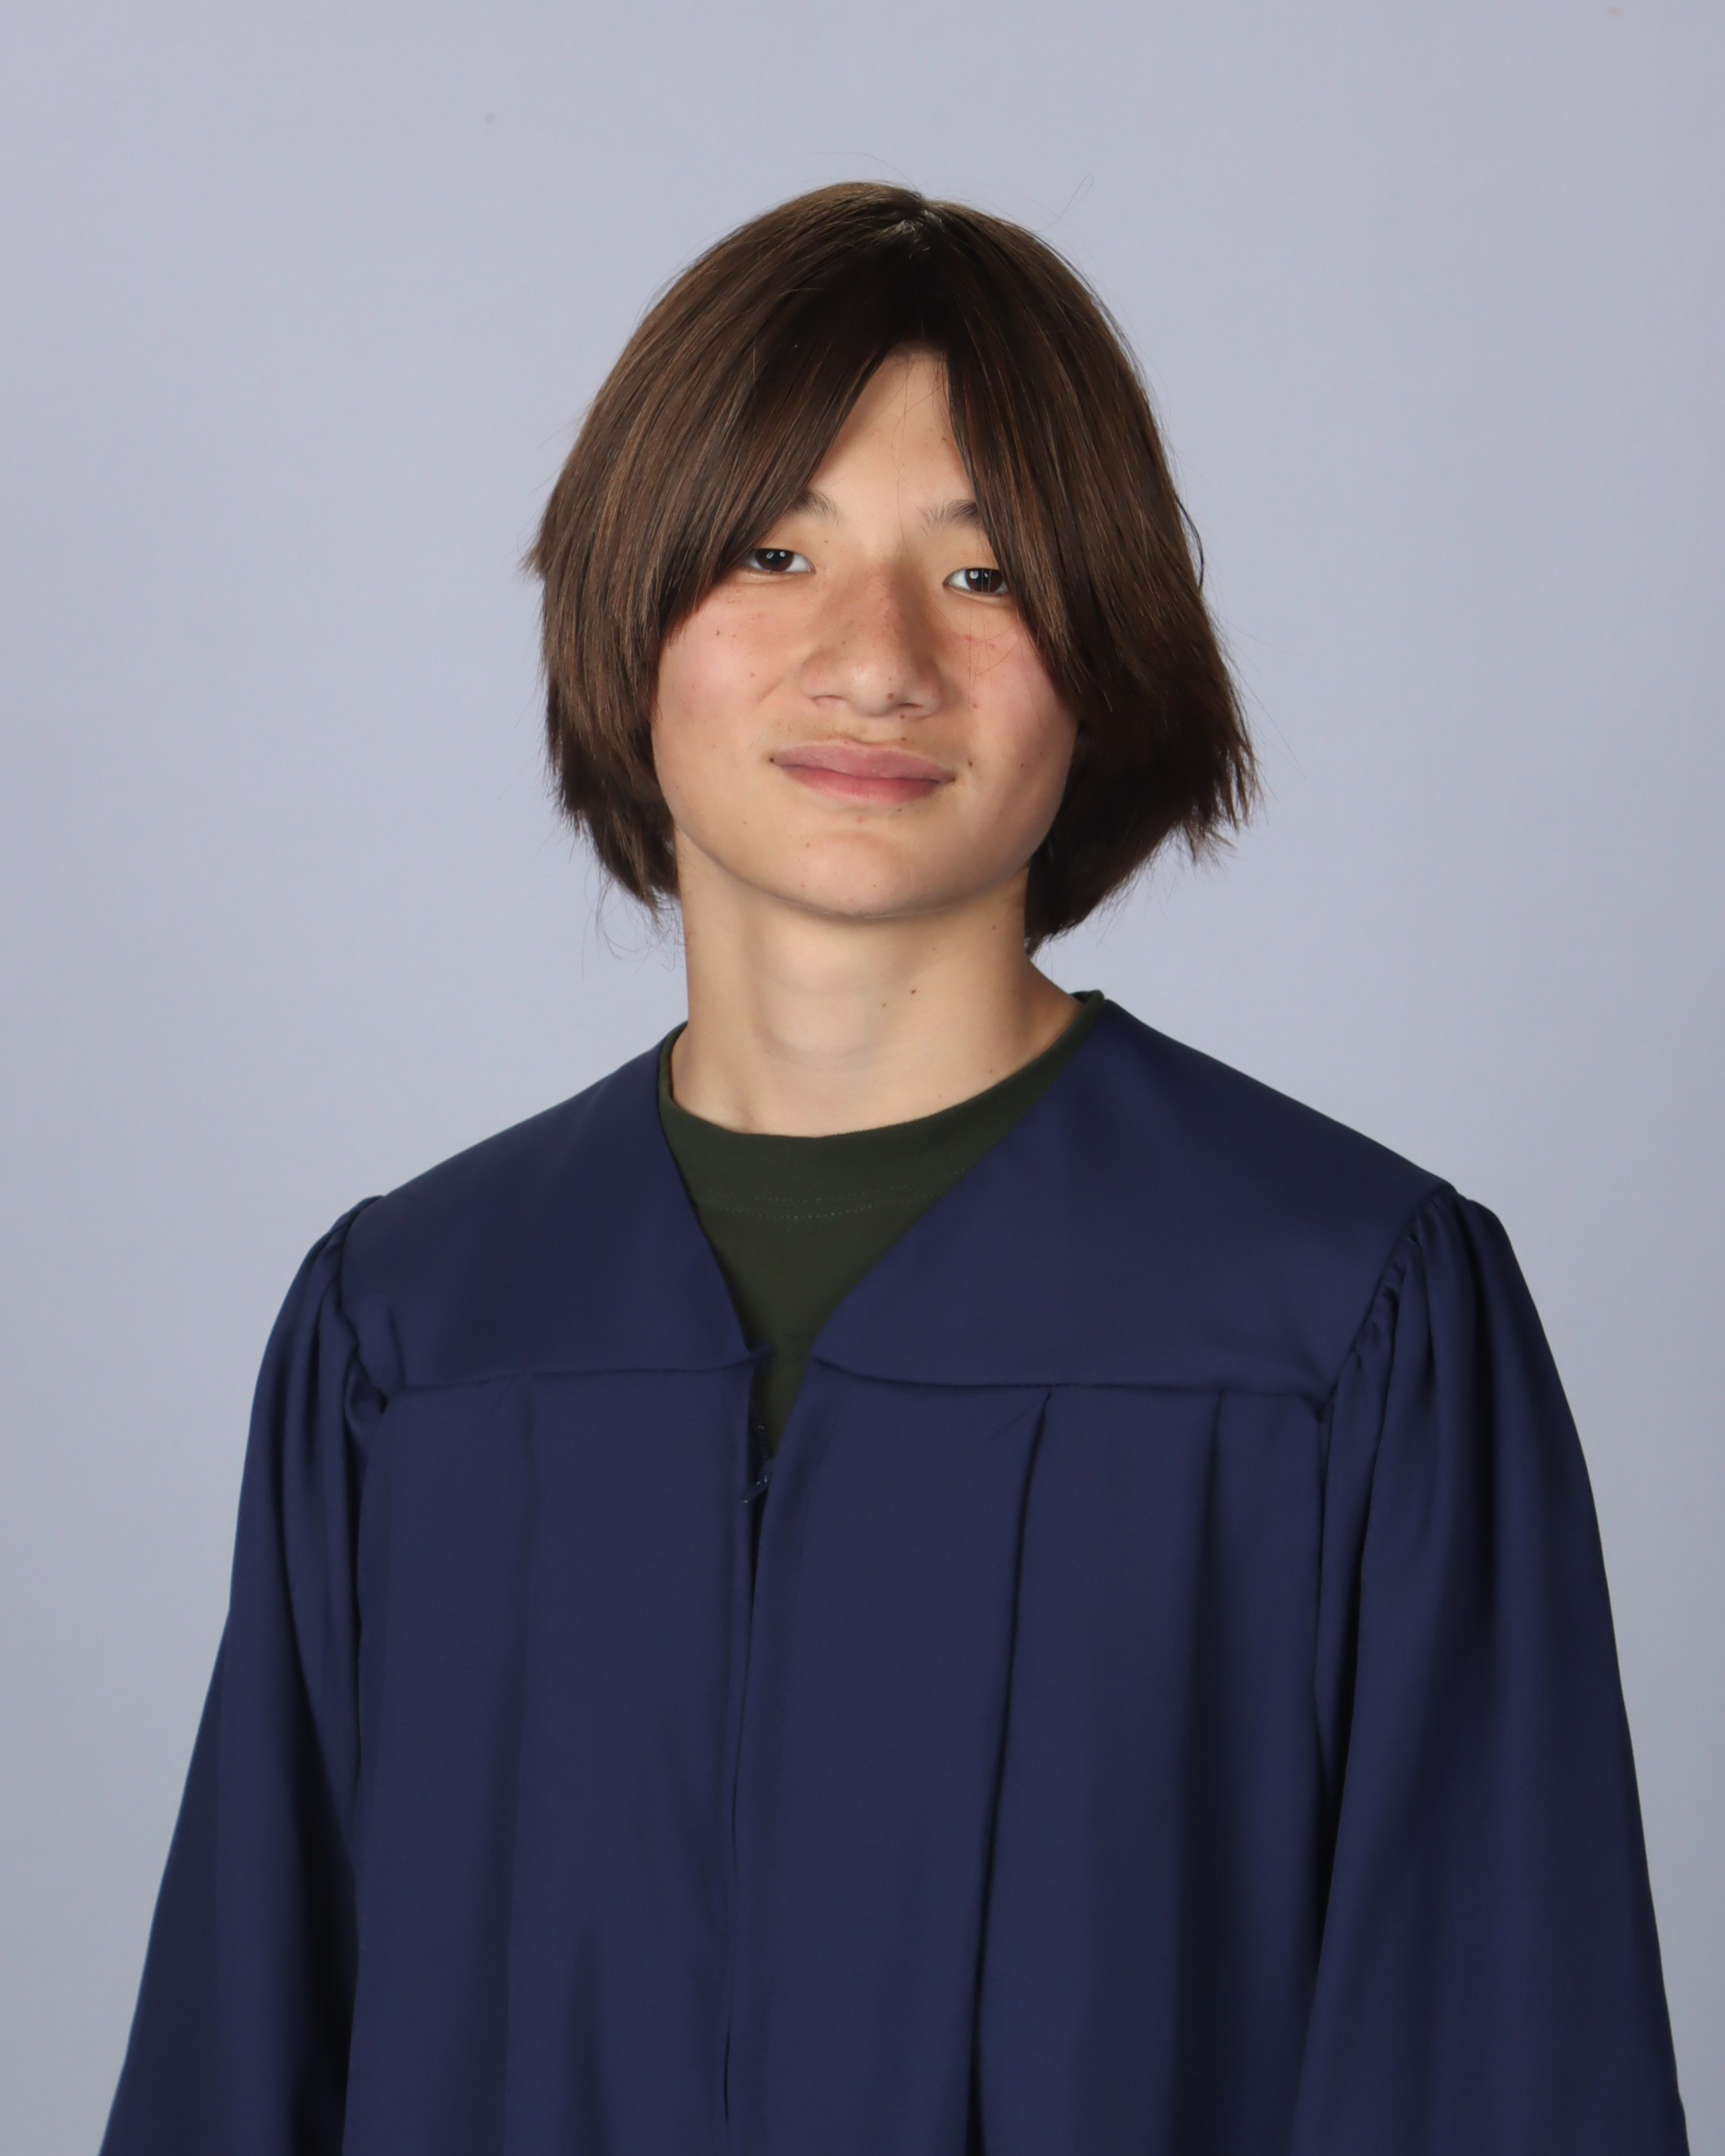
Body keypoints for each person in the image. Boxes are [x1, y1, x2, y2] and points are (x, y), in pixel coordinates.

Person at [100, 183, 1689, 2156]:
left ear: (1103, 652)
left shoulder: (1341, 1326)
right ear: (632, 608)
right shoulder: (414, 1337)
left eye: (986, 572)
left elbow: (1501, 2077)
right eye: (774, 550)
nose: (875, 661)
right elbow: (242, 2072)